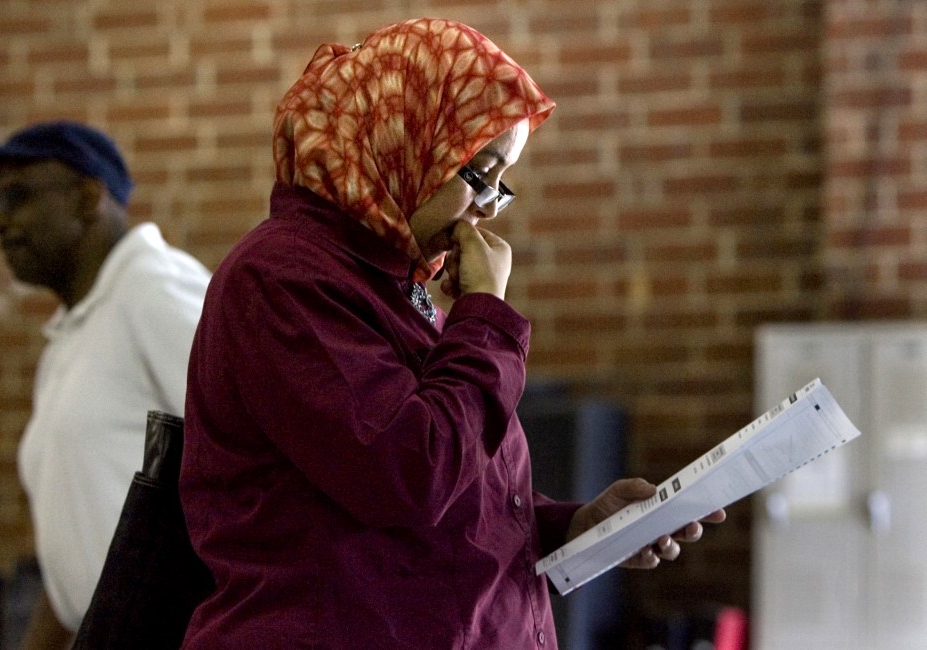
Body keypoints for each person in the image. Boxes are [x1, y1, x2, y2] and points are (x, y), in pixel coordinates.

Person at [179, 17, 725, 649]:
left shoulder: (394, 282)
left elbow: (445, 501)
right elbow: (414, 474)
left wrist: (572, 526)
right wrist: (486, 314)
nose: (490, 206)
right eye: (477, 173)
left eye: (501, 182)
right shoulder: (283, 279)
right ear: (398, 138)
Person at [0, 121, 212, 649]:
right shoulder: (67, 342)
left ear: (89, 197)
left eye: (17, 197)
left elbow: (256, 459)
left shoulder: (154, 290)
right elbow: (78, 546)